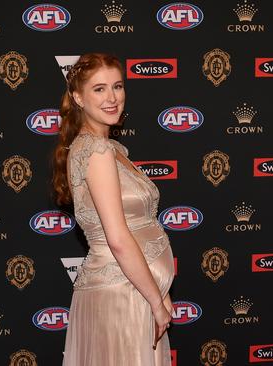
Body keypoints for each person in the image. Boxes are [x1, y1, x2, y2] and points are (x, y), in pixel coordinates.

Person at [52, 53, 174, 365]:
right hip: (122, 294)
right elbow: (117, 239)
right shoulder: (97, 152)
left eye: (117, 86)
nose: (112, 98)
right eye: (99, 89)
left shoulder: (110, 149)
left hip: (135, 288)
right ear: (78, 97)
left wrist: (158, 291)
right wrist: (155, 301)